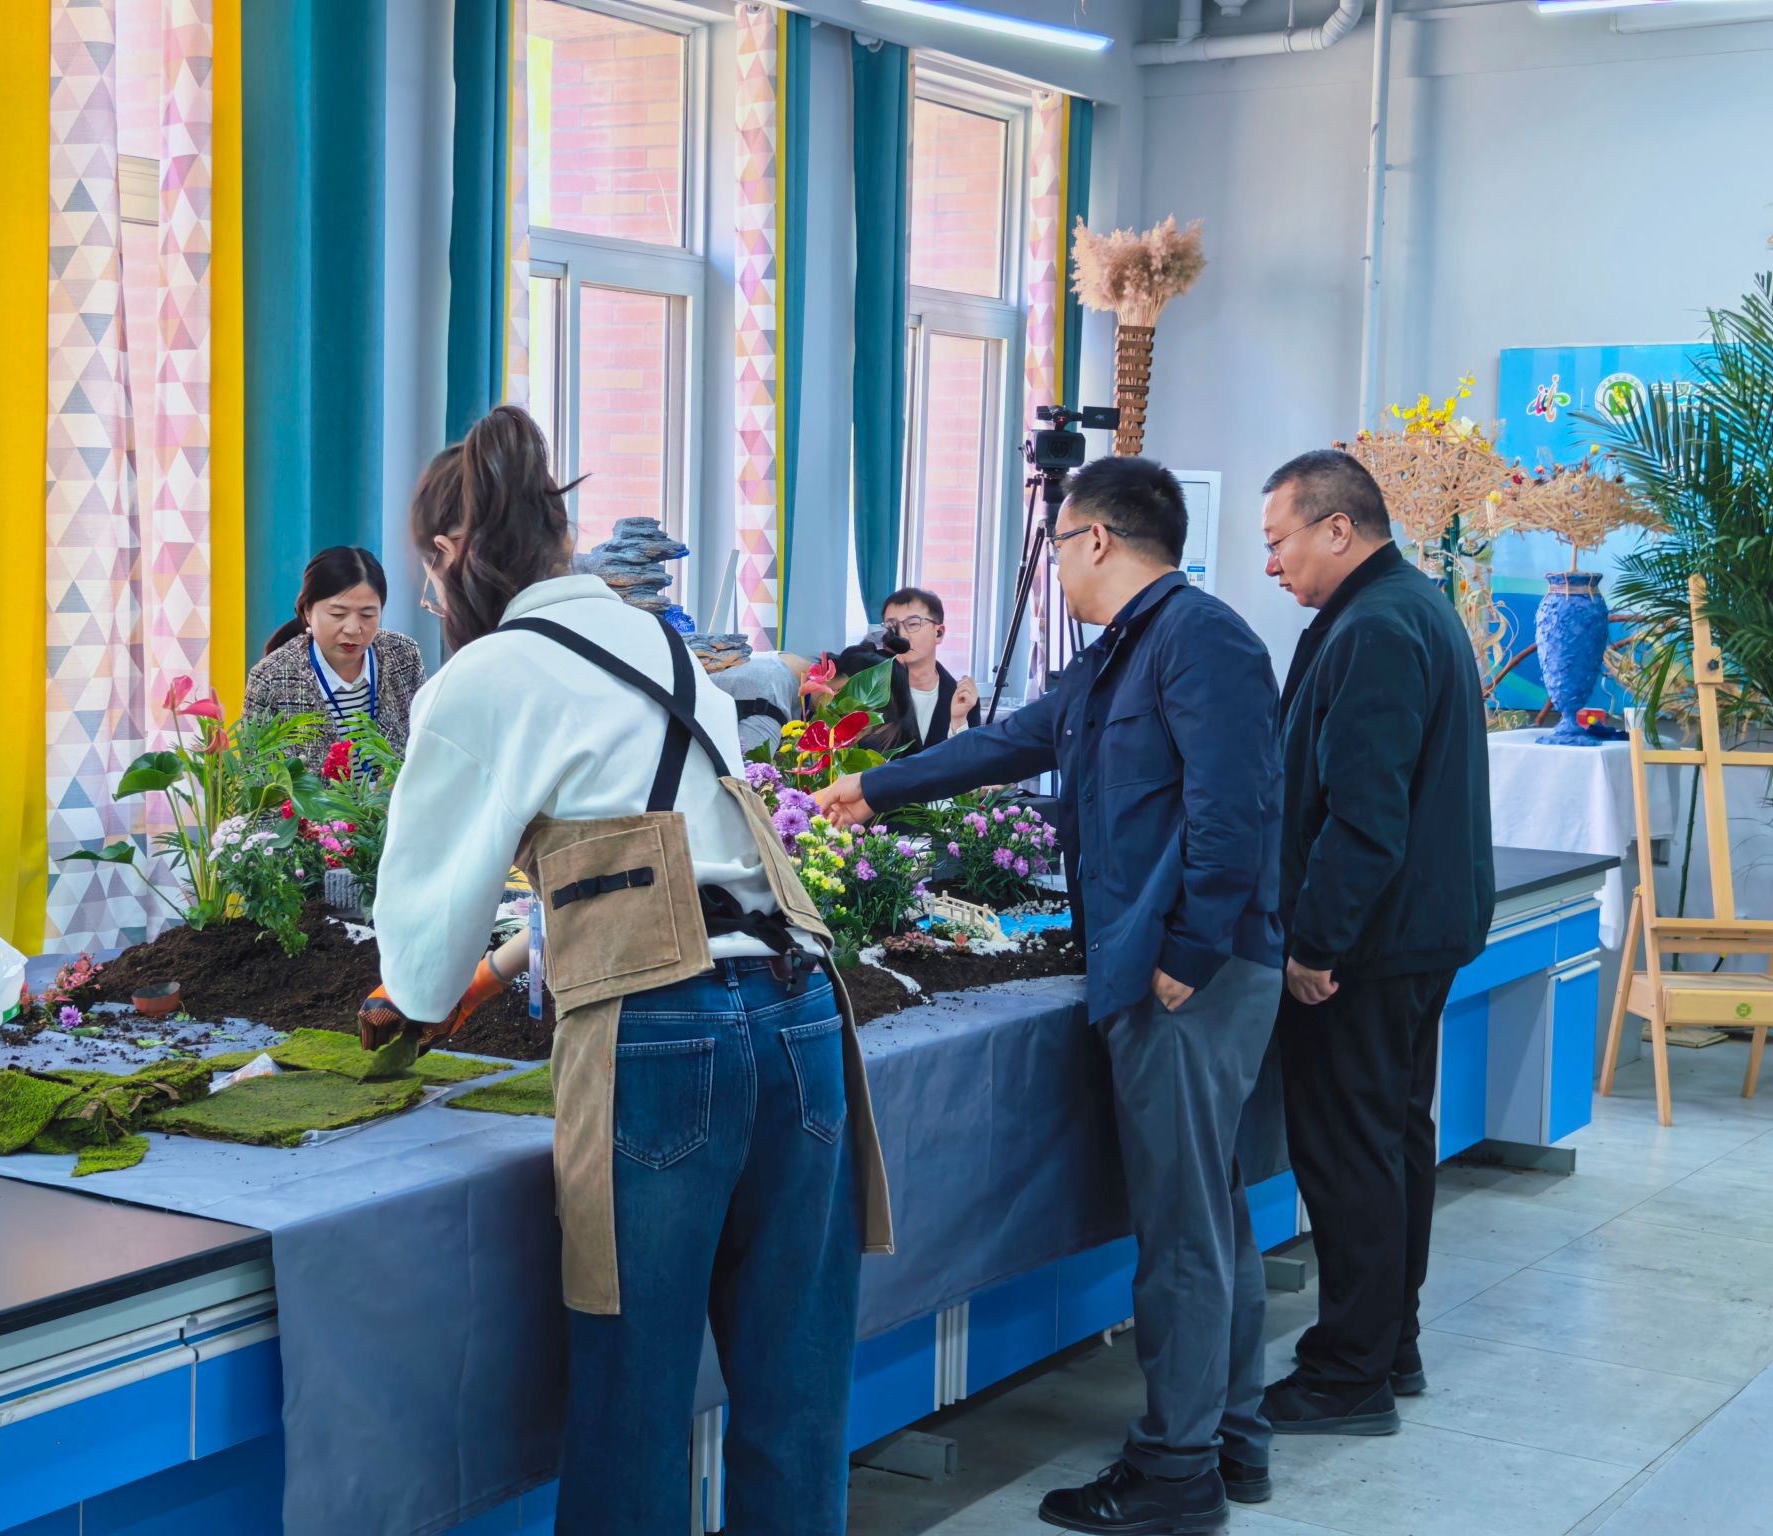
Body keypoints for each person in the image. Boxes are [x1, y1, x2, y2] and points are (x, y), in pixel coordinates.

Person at [364, 406, 893, 1535]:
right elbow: (664, 867)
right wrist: (505, 965)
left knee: (633, 1400)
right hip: (799, 1014)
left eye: (425, 575)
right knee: (795, 1393)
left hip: (660, 1041)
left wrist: (424, 992)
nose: (426, 601)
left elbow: (417, 961)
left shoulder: (486, 676)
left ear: (451, 553)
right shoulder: (665, 645)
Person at [818, 456, 1284, 1534]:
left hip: (1189, 978)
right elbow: (1010, 741)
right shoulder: (1119, 653)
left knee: (1182, 1230)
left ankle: (1178, 1472)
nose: (1057, 568)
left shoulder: (1199, 639)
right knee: (1208, 1212)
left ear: (1098, 539)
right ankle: (1230, 1436)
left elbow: (1237, 808)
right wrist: (872, 785)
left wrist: (1188, 951)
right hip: (1155, 963)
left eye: (1059, 545)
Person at [1257, 449, 1493, 1437]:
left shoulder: (1376, 627)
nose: (1271, 564)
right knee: (1392, 1141)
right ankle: (1388, 1346)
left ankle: (1346, 1375)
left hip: (1368, 943)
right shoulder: (1409, 605)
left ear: (1337, 528)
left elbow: (1364, 814)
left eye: (1279, 541)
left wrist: (1314, 943)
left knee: (1350, 1153)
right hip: (1411, 933)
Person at [246, 546, 425, 772]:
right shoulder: (271, 679)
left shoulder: (403, 655)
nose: (353, 629)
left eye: (368, 615)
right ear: (308, 611)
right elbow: (255, 778)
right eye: (337, 614)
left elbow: (424, 747)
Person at [880, 587, 980, 752]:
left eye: (913, 624)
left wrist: (958, 723)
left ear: (939, 633)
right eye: (891, 627)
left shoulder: (962, 697)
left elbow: (970, 762)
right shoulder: (871, 693)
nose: (901, 635)